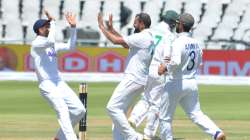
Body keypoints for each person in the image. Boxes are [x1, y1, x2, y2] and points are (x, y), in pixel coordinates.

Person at [158, 13, 226, 140]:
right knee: (196, 114)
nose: (176, 25)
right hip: (191, 83)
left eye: (178, 23)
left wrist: (164, 68)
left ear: (182, 25)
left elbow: (175, 62)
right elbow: (199, 63)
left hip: (175, 82)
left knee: (164, 118)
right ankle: (216, 133)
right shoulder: (197, 43)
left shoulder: (178, 42)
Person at [98, 12, 154, 140]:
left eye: (136, 22)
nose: (134, 24)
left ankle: (134, 137)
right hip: (139, 79)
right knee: (119, 114)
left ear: (142, 24)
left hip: (134, 78)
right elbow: (125, 43)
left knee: (112, 107)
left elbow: (116, 41)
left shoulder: (142, 37)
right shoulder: (147, 36)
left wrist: (102, 28)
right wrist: (111, 29)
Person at [31, 11, 85, 140]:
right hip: (47, 84)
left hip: (58, 82)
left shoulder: (52, 44)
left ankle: (59, 138)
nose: (48, 28)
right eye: (46, 26)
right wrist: (53, 22)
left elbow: (71, 47)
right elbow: (50, 41)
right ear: (39, 30)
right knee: (63, 109)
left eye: (49, 25)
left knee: (79, 110)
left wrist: (73, 28)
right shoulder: (36, 44)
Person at [128, 10, 179, 140]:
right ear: (173, 23)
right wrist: (165, 67)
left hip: (146, 68)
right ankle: (149, 133)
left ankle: (133, 119)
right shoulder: (169, 35)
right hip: (158, 70)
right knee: (157, 103)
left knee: (145, 98)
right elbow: (167, 55)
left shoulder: (152, 30)